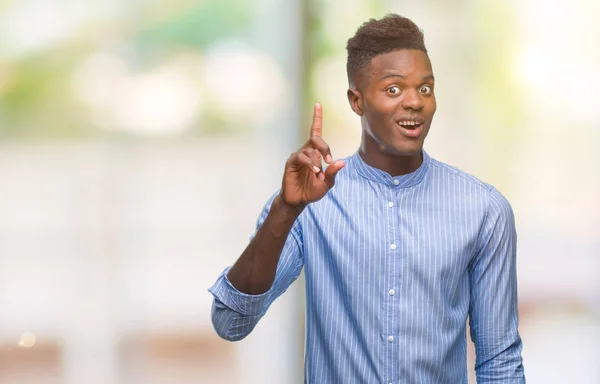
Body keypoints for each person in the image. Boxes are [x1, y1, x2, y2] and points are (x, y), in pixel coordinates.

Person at [209, 14, 525, 383]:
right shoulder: (310, 206)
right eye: (393, 89)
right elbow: (231, 322)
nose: (414, 102)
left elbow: (500, 361)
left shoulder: (484, 210)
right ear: (356, 101)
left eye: (425, 88)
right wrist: (285, 210)